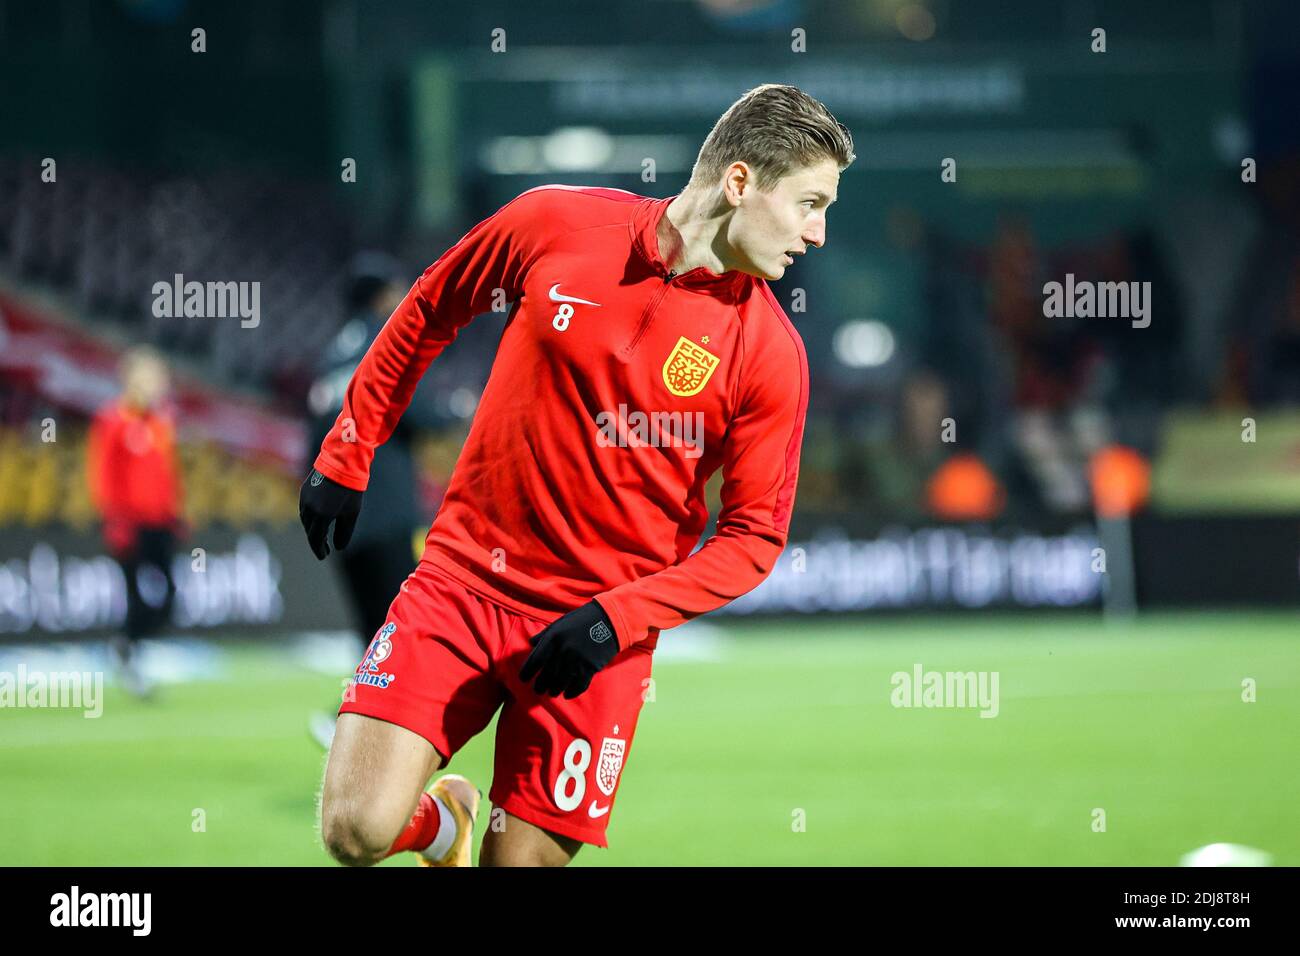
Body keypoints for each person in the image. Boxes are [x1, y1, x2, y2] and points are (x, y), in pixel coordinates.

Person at [299, 84, 853, 866]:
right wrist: (346, 452)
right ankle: (448, 825)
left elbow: (754, 539)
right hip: (461, 584)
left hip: (593, 634)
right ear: (739, 183)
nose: (818, 232)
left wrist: (617, 620)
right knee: (354, 829)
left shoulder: (770, 355)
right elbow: (429, 308)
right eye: (809, 203)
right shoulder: (555, 222)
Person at [305, 252, 446, 749]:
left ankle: (356, 726)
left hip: (343, 517)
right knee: (402, 634)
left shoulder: (329, 356)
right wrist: (459, 408)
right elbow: (419, 413)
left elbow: (312, 439)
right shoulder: (386, 341)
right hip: (386, 512)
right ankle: (367, 731)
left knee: (373, 630)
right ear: (384, 296)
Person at [87, 346, 185, 699]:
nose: (158, 384)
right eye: (150, 377)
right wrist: (114, 520)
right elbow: (102, 473)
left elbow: (166, 472)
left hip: (160, 523)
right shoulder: (112, 420)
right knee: (135, 596)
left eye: (160, 377)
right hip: (129, 524)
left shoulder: (161, 421)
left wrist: (175, 511)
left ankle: (126, 645)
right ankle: (130, 656)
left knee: (170, 597)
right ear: (129, 379)